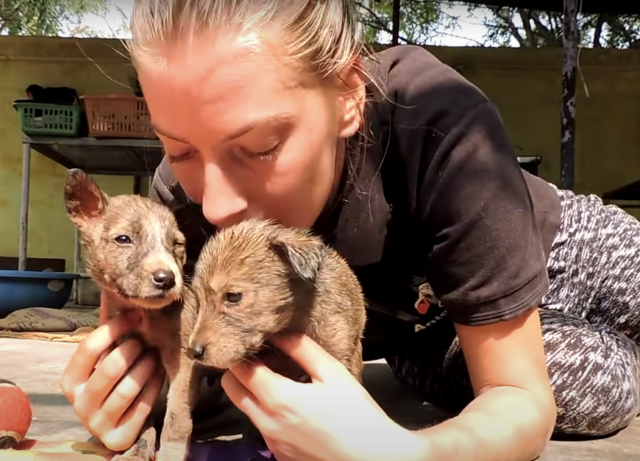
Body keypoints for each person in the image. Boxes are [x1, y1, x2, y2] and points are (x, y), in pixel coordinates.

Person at [60, 1, 640, 460]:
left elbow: (517, 397)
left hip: (577, 254)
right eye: (177, 149)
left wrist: (406, 454)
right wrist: (128, 397)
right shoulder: (176, 216)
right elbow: (186, 369)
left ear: (347, 94)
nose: (215, 204)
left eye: (259, 146)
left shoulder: (434, 120)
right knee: (583, 391)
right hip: (426, 328)